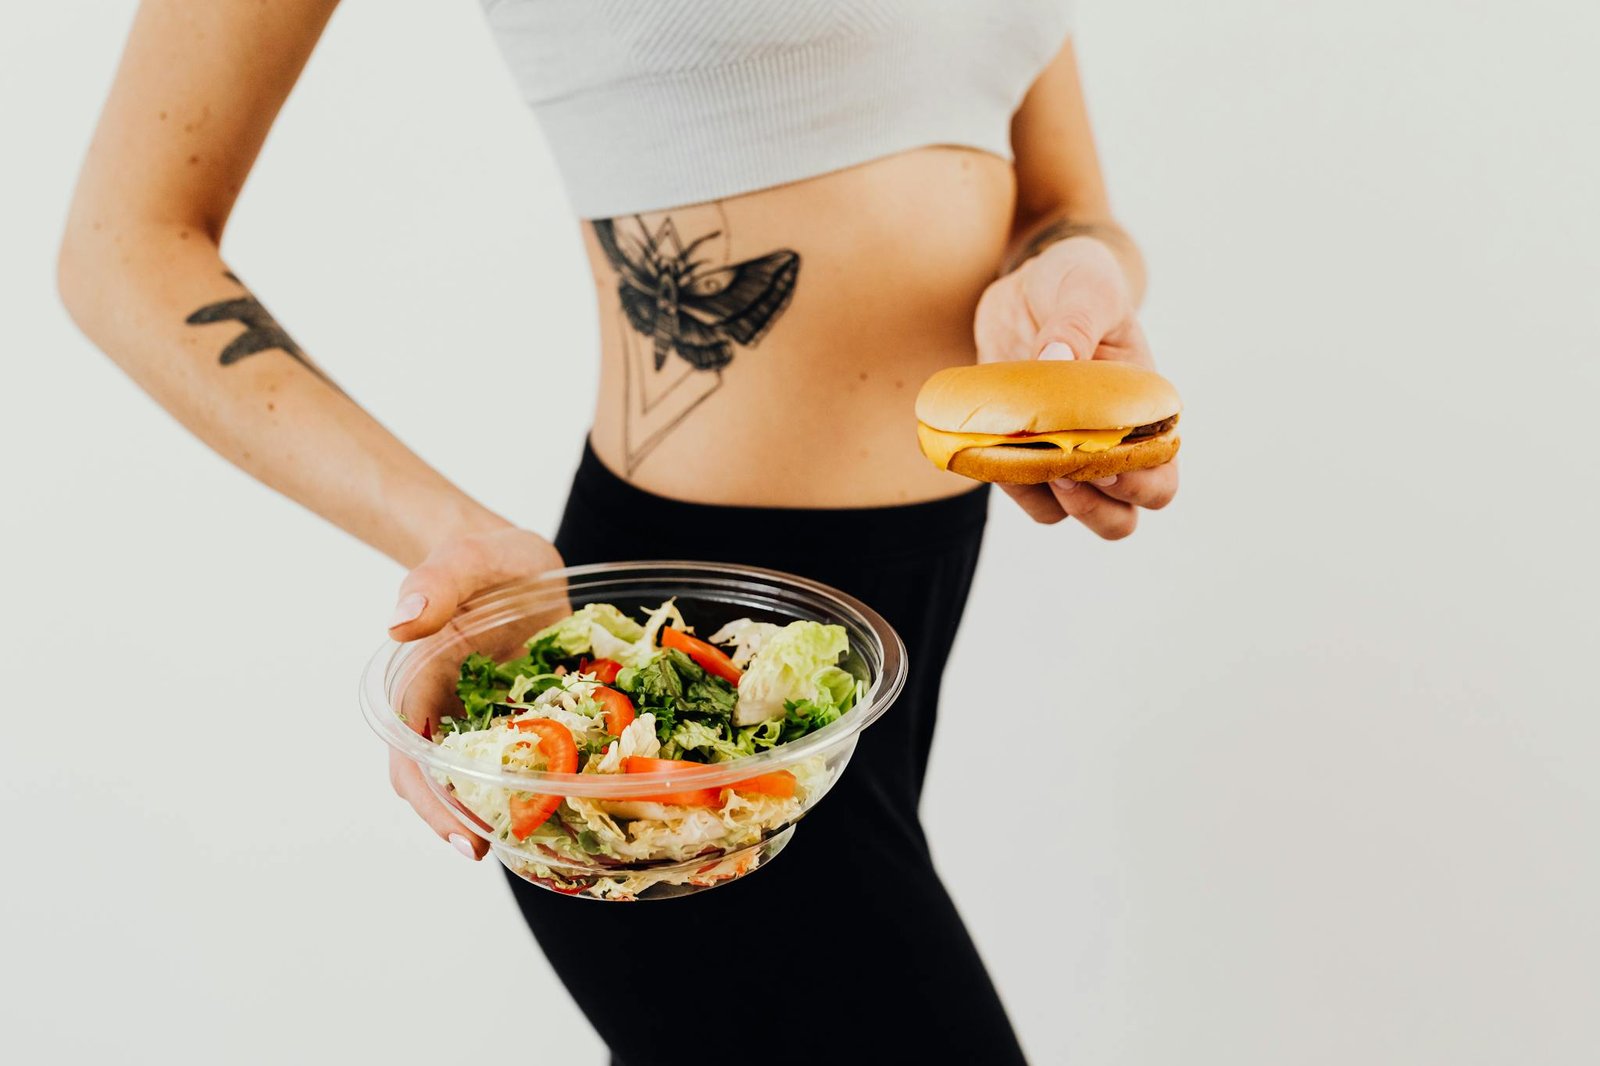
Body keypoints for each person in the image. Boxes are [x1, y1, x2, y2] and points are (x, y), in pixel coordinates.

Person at [59, 2, 1178, 1062]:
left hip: (894, 631)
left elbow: (1062, 200)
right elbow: (124, 245)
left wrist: (1072, 276)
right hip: (663, 698)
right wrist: (445, 532)